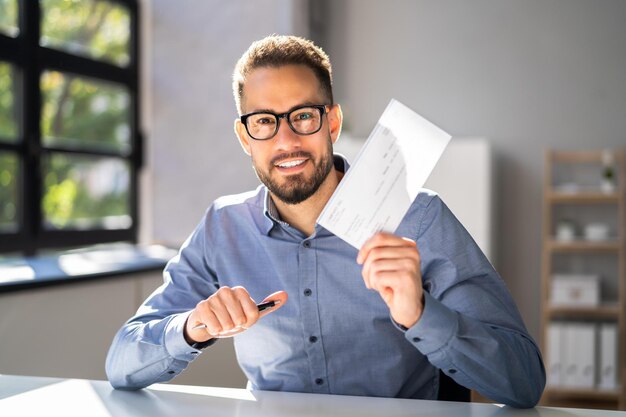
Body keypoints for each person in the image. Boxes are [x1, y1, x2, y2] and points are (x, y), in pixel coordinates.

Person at [106, 35, 545, 408]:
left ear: (331, 122)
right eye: (264, 122)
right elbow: (121, 363)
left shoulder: (418, 217)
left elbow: (524, 383)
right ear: (245, 137)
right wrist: (191, 328)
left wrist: (421, 314)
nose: (286, 140)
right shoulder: (223, 227)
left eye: (303, 116)